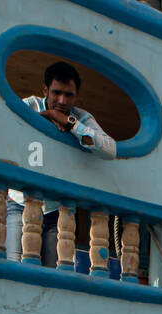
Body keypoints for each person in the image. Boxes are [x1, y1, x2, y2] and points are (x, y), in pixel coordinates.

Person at [7, 61, 116, 266]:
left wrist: (69, 123)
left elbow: (110, 149)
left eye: (69, 95)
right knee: (15, 269)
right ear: (45, 90)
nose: (62, 100)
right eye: (56, 93)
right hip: (20, 203)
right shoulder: (29, 106)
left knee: (51, 277)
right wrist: (44, 118)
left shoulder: (80, 117)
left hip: (56, 211)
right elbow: (6, 128)